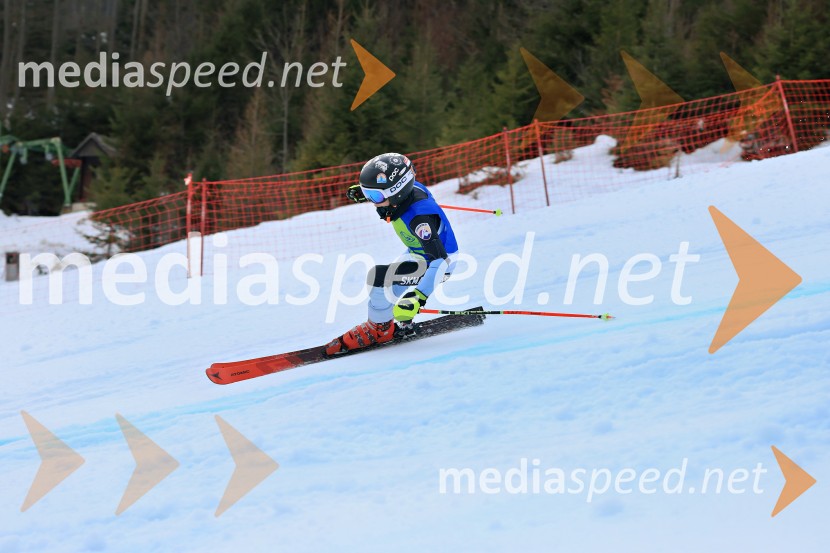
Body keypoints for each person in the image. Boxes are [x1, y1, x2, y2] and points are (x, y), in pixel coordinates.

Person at [325, 152, 459, 355]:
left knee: (379, 278)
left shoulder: (418, 219)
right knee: (386, 289)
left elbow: (440, 261)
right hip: (416, 252)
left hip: (438, 264)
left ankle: (379, 330)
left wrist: (417, 297)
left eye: (375, 196)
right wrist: (367, 193)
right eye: (367, 194)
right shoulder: (405, 193)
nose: (372, 202)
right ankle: (391, 322)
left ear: (396, 193)